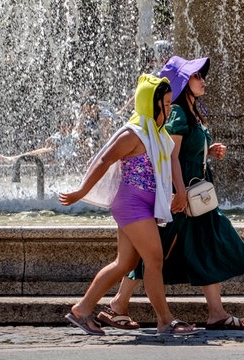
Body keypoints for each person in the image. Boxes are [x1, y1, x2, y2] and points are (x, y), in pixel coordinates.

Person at [98, 56, 244, 331]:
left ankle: (215, 312)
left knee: (198, 242)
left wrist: (208, 150)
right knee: (151, 250)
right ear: (183, 82)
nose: (202, 80)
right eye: (196, 76)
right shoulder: (180, 113)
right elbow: (171, 155)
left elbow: (184, 151)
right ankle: (117, 304)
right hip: (181, 196)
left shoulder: (190, 111)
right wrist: (178, 194)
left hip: (194, 195)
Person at [59, 74, 198, 336]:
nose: (169, 110)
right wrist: (80, 192)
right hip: (131, 204)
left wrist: (179, 192)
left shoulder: (158, 133)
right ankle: (165, 321)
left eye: (170, 103)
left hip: (144, 205)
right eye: (165, 104)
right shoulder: (133, 134)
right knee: (154, 259)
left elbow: (171, 160)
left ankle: (82, 309)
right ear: (151, 104)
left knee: (125, 263)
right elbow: (102, 161)